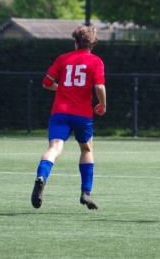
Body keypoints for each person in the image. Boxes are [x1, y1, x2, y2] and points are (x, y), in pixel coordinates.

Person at [31, 25, 107, 210]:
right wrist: (103, 105)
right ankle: (85, 193)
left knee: (54, 148)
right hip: (82, 114)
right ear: (92, 44)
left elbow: (47, 82)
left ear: (75, 42)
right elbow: (99, 87)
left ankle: (42, 177)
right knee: (86, 149)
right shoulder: (95, 61)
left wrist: (62, 89)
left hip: (60, 112)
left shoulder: (63, 59)